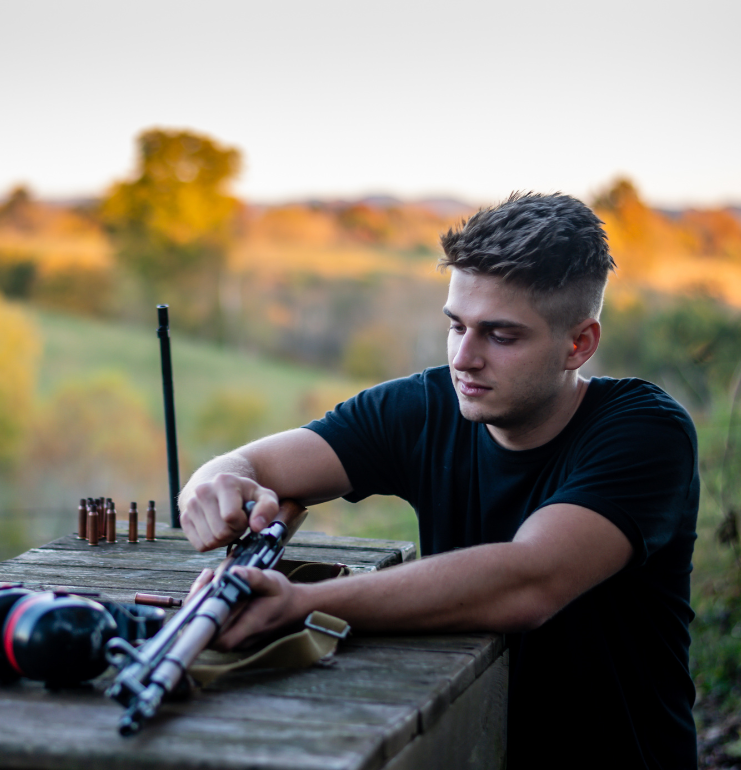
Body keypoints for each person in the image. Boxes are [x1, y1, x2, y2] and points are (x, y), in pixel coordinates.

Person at [179, 192, 698, 769]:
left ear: (578, 344)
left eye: (501, 336)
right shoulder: (428, 404)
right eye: (456, 327)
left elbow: (528, 580)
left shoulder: (646, 431)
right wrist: (213, 485)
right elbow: (253, 465)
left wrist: (302, 602)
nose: (464, 358)